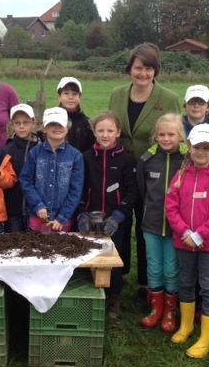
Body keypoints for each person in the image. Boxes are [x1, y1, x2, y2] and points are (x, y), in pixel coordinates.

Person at [108, 42, 181, 310]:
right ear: (130, 68)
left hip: (154, 176)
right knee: (122, 226)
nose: (143, 73)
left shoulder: (169, 98)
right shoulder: (116, 94)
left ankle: (145, 286)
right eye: (138, 67)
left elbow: (174, 138)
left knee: (146, 229)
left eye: (149, 68)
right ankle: (117, 280)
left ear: (155, 71)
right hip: (122, 173)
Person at [167, 123, 209, 359]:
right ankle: (186, 326)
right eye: (197, 147)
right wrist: (186, 232)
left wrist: (200, 234)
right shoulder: (180, 176)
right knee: (186, 281)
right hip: (184, 241)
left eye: (207, 147)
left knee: (207, 285)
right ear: (189, 147)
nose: (201, 152)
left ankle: (207, 337)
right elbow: (171, 207)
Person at [77, 111, 136, 318]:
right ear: (94, 132)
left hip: (115, 220)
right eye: (100, 130)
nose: (105, 135)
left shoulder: (126, 159)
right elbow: (79, 189)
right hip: (91, 217)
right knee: (89, 254)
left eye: (110, 130)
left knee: (113, 257)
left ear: (118, 132)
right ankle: (89, 294)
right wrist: (82, 213)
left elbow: (132, 191)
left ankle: (114, 296)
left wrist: (120, 214)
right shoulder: (84, 158)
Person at [136, 113, 186, 333]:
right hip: (152, 225)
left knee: (172, 269)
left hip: (178, 227)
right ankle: (156, 310)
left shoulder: (188, 160)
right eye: (162, 134)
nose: (166, 139)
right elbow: (141, 191)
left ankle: (170, 312)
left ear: (181, 136)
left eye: (171, 134)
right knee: (154, 267)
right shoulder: (147, 159)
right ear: (155, 136)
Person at [20, 107, 84, 233]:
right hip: (37, 217)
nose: (57, 127)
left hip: (62, 221)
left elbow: (76, 190)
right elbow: (25, 181)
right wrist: (38, 205)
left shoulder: (75, 156)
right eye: (52, 124)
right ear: (44, 128)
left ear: (67, 128)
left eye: (61, 124)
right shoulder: (35, 153)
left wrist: (62, 217)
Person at [3, 104, 42, 233]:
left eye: (25, 122)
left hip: (37, 210)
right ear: (12, 125)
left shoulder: (41, 148)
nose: (21, 126)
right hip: (13, 209)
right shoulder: (6, 150)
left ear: (33, 124)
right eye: (17, 123)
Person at [56, 76, 95, 152]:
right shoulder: (51, 120)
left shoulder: (87, 123)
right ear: (59, 97)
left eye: (74, 94)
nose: (70, 97)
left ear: (80, 97)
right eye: (66, 93)